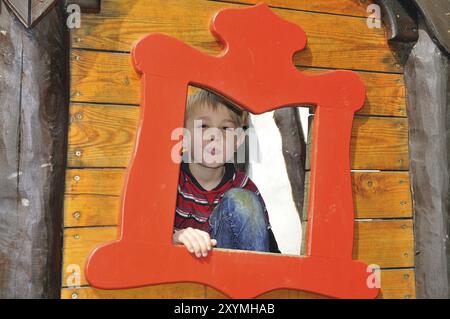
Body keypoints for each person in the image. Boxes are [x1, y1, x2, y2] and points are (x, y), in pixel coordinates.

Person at [173, 88, 281, 258]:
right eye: (203, 126)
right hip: (178, 274)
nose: (214, 135)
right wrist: (175, 237)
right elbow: (147, 235)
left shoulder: (245, 186)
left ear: (238, 140)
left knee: (243, 201)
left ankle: (253, 281)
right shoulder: (173, 180)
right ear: (184, 136)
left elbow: (271, 251)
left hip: (233, 276)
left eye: (225, 128)